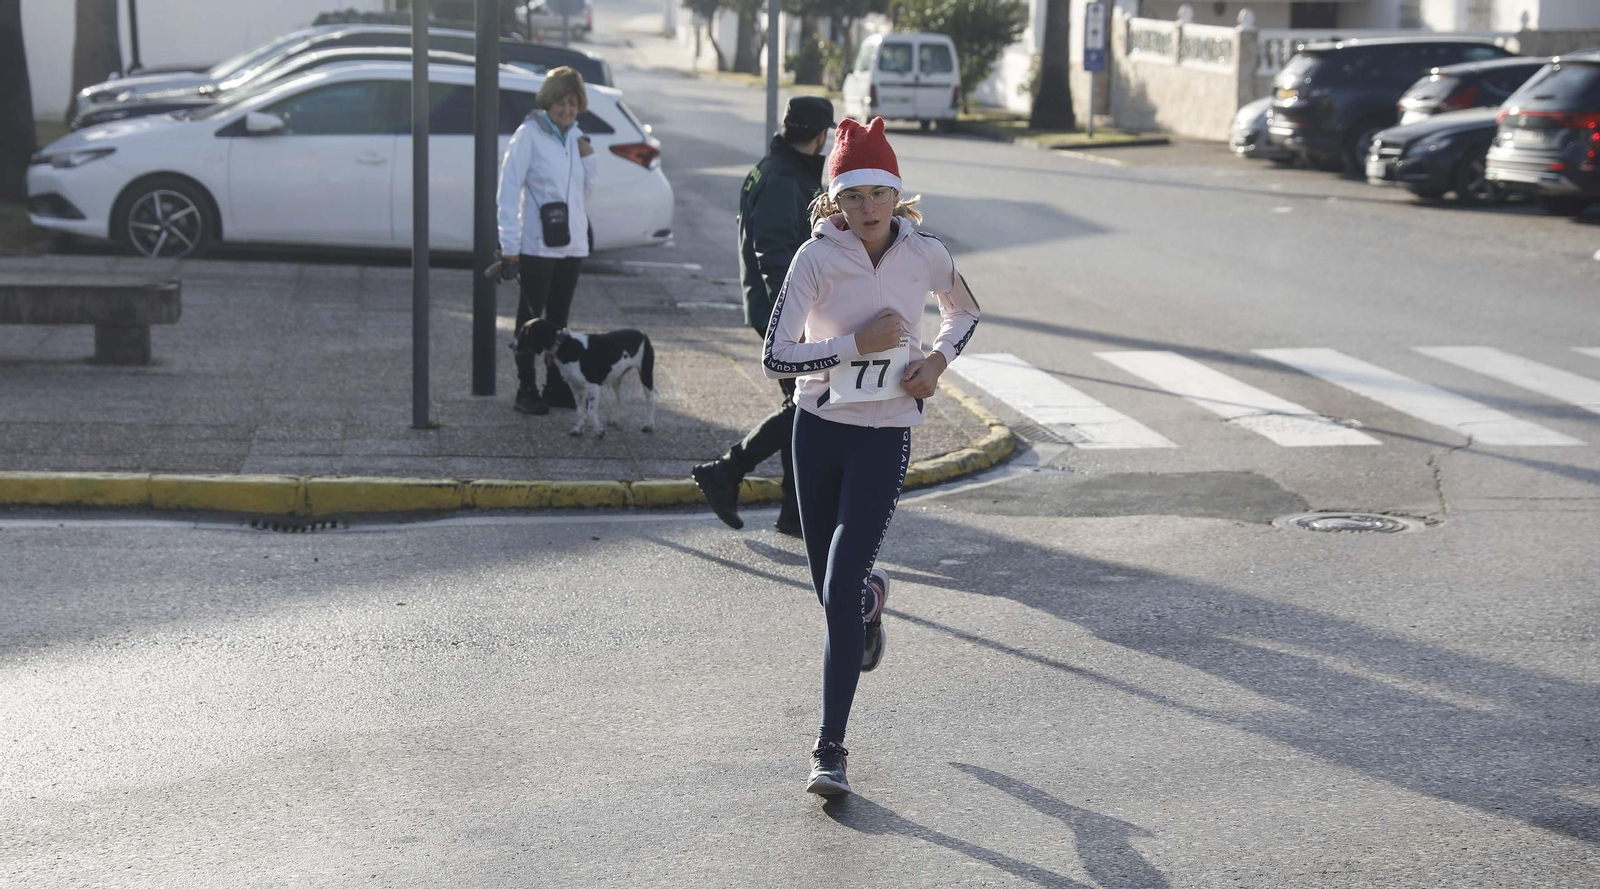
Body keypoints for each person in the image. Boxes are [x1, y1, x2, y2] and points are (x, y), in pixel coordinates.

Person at [761, 117, 980, 796]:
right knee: (835, 593)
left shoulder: (926, 251)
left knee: (837, 593)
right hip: (819, 430)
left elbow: (964, 312)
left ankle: (830, 747)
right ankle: (871, 597)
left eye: (878, 193)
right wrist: (852, 346)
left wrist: (938, 361)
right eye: (852, 195)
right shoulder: (815, 259)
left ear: (896, 193)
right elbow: (775, 353)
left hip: (886, 435)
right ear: (834, 200)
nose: (866, 208)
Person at [693, 96, 836, 537]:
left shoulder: (778, 168)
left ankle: (794, 514)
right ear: (819, 135)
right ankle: (726, 470)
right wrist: (790, 320)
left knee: (803, 406)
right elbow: (773, 253)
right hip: (782, 309)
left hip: (782, 306)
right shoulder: (782, 178)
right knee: (806, 406)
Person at [493, 66, 597, 416]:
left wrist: (590, 156)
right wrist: (509, 245)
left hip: (571, 244)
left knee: (559, 320)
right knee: (531, 320)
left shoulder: (575, 137)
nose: (566, 110)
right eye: (560, 103)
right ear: (548, 101)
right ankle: (526, 388)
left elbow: (587, 191)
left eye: (573, 103)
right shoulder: (529, 136)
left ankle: (555, 385)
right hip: (537, 244)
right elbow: (508, 191)